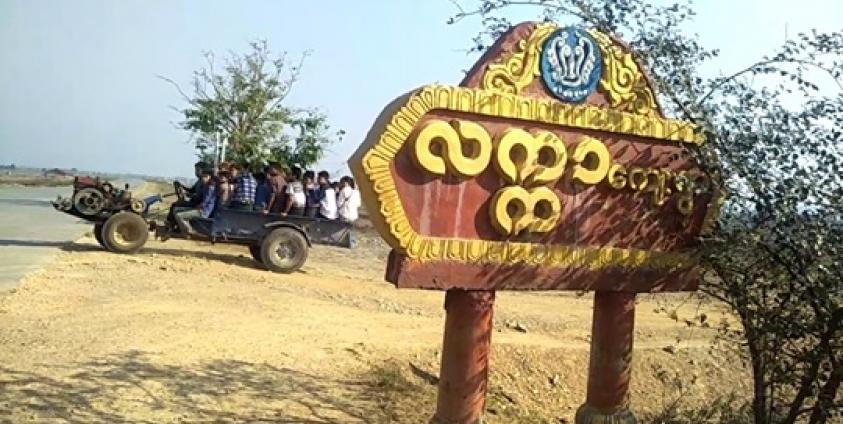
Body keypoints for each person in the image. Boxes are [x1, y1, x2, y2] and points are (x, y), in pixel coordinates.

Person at [173, 169, 217, 236]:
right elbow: (197, 196)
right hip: (199, 209)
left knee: (179, 216)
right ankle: (181, 227)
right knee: (176, 209)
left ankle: (188, 231)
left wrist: (195, 207)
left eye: (206, 177)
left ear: (210, 177)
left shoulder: (210, 188)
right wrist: (188, 194)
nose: (203, 178)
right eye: (202, 177)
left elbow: (205, 202)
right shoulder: (205, 186)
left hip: (203, 211)